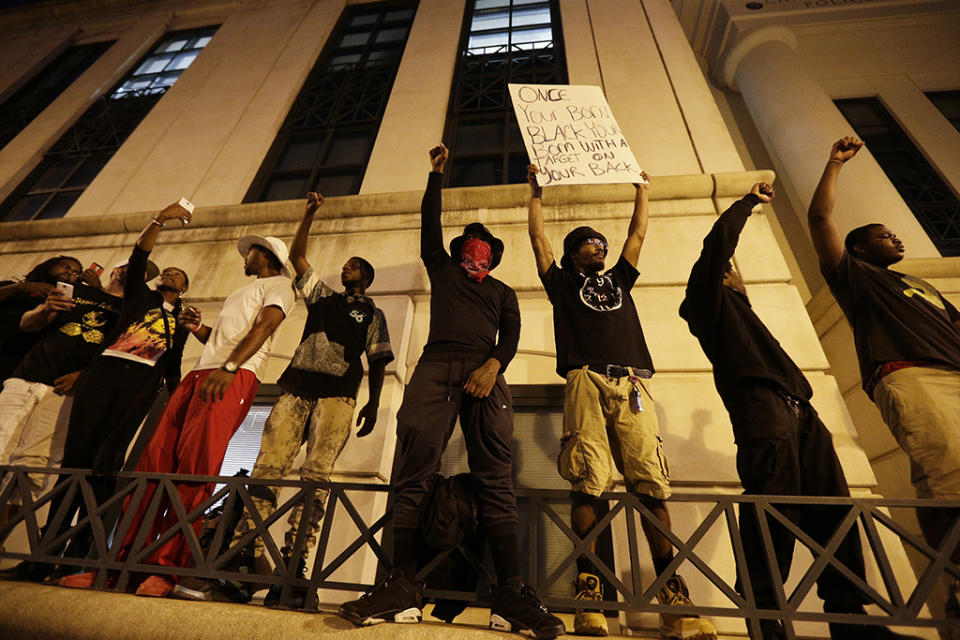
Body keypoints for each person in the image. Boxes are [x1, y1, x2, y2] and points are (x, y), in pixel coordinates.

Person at [339, 145, 564, 640]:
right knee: (414, 462)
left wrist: (492, 365)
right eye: (470, 241)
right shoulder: (443, 271)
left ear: (495, 256)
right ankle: (400, 586)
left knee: (495, 473)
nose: (476, 247)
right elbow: (428, 225)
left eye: (484, 244)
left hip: (486, 372)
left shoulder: (503, 292)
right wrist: (436, 174)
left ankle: (511, 591)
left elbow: (510, 338)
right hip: (437, 364)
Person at [679, 182, 920, 640]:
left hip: (800, 410)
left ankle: (850, 619)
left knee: (834, 508)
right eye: (728, 270)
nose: (734, 273)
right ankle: (764, 615)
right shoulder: (709, 307)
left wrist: (743, 295)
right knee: (773, 508)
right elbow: (716, 245)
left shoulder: (743, 315)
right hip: (762, 407)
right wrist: (747, 202)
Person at [526, 164, 716, 640]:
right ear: (574, 254)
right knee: (590, 477)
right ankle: (588, 591)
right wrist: (535, 196)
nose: (600, 247)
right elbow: (539, 243)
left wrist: (641, 191)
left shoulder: (620, 280)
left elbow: (636, 233)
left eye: (601, 243)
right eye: (589, 243)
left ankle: (674, 598)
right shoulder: (562, 284)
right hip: (585, 377)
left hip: (632, 382)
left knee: (650, 479)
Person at [59, 233, 296, 597]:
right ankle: (118, 564)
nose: (244, 258)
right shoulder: (240, 292)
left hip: (235, 375)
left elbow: (265, 328)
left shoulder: (281, 285)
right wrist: (199, 330)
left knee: (195, 471)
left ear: (265, 255)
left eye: (250, 253)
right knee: (153, 467)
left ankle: (168, 570)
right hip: (203, 373)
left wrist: (231, 366)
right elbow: (225, 337)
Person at [806, 136, 960, 616]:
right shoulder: (855, 275)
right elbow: (819, 219)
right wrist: (833, 164)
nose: (896, 238)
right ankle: (954, 588)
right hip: (912, 378)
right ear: (858, 247)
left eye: (895, 234)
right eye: (883, 235)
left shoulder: (921, 284)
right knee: (947, 481)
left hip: (956, 373)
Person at [3, 202, 193, 584]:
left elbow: (173, 368)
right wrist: (159, 218)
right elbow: (140, 255)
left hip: (138, 388)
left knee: (107, 465)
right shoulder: (140, 299)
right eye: (166, 272)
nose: (170, 274)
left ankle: (82, 559)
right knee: (74, 462)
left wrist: (177, 402)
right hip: (102, 376)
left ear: (186, 288)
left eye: (178, 274)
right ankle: (44, 555)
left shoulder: (182, 321)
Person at [221, 191, 393, 607]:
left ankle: (296, 564)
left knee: (316, 474)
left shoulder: (372, 312)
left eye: (354, 266)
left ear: (365, 277)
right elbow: (297, 257)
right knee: (269, 465)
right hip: (297, 385)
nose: (346, 266)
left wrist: (373, 402)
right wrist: (308, 215)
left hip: (339, 394)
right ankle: (247, 553)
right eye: (345, 264)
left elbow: (379, 361)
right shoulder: (322, 297)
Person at [0, 258, 128, 505]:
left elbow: (121, 356)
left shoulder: (130, 311)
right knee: (2, 449)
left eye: (76, 270)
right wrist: (44, 308)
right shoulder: (68, 290)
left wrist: (85, 375)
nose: (72, 273)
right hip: (26, 377)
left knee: (34, 466)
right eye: (130, 266)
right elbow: (28, 324)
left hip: (65, 391)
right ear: (116, 269)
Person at [0, 256, 83, 386]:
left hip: (18, 364)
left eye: (75, 273)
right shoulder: (13, 287)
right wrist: (20, 287)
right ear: (50, 265)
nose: (69, 273)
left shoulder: (64, 303)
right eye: (66, 266)